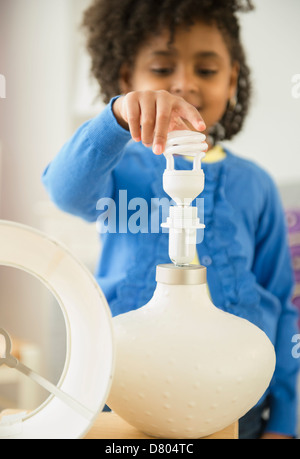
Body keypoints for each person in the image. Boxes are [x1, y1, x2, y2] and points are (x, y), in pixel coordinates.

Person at [42, 0, 299, 439]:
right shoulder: (118, 173)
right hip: (124, 398)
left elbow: (281, 301)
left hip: (237, 407)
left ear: (232, 78)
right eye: (162, 70)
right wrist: (116, 118)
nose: (184, 83)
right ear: (127, 79)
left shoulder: (254, 185)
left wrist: (287, 418)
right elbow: (64, 191)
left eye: (207, 70)